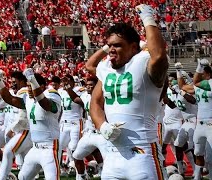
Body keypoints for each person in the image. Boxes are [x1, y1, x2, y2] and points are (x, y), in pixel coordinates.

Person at [86, 4, 168, 179]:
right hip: (113, 156)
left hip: (143, 154)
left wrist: (147, 18)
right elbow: (95, 103)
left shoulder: (143, 62)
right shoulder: (107, 68)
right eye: (109, 46)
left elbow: (159, 55)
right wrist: (102, 125)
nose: (111, 50)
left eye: (117, 45)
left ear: (133, 47)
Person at [0, 68, 62, 180]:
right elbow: (9, 99)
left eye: (31, 86)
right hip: (35, 148)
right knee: (22, 177)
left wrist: (32, 80)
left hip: (50, 147)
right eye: (28, 86)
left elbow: (44, 104)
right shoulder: (28, 100)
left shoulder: (52, 95)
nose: (29, 89)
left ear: (42, 86)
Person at [181, 59, 212, 180]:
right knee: (198, 152)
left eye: (202, 73)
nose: (200, 75)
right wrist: (179, 73)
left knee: (210, 156)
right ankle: (197, 177)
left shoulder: (208, 83)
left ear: (207, 74)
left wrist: (199, 67)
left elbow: (196, 81)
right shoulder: (201, 86)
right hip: (200, 123)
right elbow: (183, 86)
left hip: (211, 124)